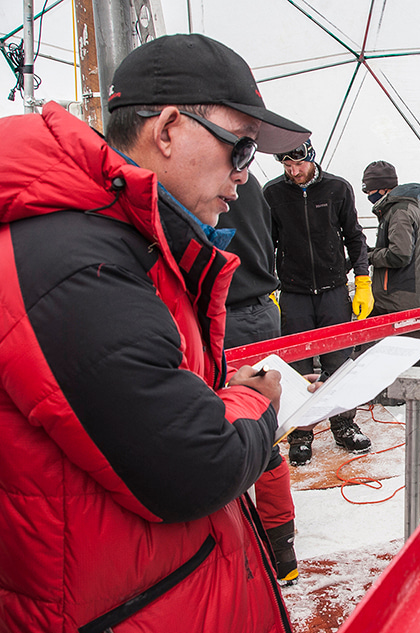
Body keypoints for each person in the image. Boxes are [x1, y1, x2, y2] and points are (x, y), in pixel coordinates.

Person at [0, 33, 311, 632]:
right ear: (167, 129)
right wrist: (256, 400)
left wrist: (216, 395)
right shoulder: (71, 260)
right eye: (240, 149)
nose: (245, 176)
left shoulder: (121, 239)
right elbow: (197, 464)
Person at [264, 141, 373, 460]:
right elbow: (267, 243)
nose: (293, 172)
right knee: (298, 365)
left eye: (298, 165)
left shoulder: (337, 188)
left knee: (337, 361)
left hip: (333, 291)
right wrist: (269, 284)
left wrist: (363, 279)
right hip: (294, 292)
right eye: (287, 167)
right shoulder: (273, 194)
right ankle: (301, 432)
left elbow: (354, 236)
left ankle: (344, 426)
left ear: (311, 159)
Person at [218, 173, 299, 585]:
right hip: (263, 310)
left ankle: (260, 555)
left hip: (227, 316)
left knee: (235, 432)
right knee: (265, 435)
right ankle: (282, 551)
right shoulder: (251, 185)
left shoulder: (202, 181)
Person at [361, 160, 420, 427]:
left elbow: (400, 254)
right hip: (396, 294)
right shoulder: (400, 208)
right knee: (367, 343)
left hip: (400, 296)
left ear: (382, 188)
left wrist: (369, 256)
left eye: (370, 190)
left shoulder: (399, 211)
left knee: (418, 353)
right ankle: (359, 399)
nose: (368, 196)